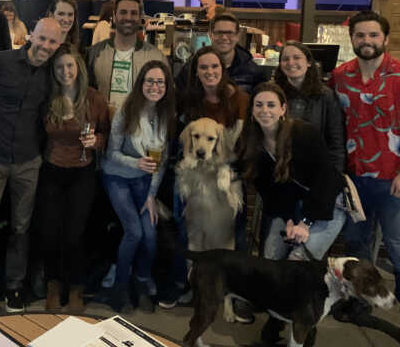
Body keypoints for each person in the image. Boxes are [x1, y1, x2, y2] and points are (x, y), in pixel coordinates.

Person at [329, 10, 400, 347]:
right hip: (355, 181)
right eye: (360, 35)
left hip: (392, 182)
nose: (367, 41)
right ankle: (360, 303)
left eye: (373, 35)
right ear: (352, 39)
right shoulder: (340, 77)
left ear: (385, 39)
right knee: (358, 249)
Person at [0, 18, 63, 317]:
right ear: (31, 35)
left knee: (21, 228)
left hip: (29, 162)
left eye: (52, 42)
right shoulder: (2, 62)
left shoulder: (53, 75)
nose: (45, 46)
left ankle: (14, 287)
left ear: (58, 45)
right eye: (42, 38)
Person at [237, 82, 346, 346]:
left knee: (299, 260)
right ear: (251, 111)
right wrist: (287, 218)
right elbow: (270, 192)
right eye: (259, 105)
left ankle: (305, 326)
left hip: (326, 205)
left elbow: (326, 181)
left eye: (271, 104)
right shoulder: (252, 144)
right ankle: (278, 317)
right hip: (290, 207)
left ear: (283, 108)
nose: (265, 110)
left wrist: (305, 222)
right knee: (272, 260)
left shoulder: (304, 134)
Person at [158, 45, 249, 310]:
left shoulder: (239, 99)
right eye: (203, 67)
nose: (209, 71)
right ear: (195, 72)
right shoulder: (189, 100)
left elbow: (238, 147)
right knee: (185, 226)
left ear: (223, 70)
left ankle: (236, 294)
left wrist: (226, 169)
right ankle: (185, 284)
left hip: (226, 171)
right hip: (192, 172)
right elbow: (182, 141)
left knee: (234, 231)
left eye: (214, 66)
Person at [36, 43, 109, 313]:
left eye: (69, 65)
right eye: (59, 67)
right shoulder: (47, 99)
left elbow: (105, 136)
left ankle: (76, 287)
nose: (65, 71)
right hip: (52, 170)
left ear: (78, 67)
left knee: (75, 234)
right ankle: (54, 284)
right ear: (53, 71)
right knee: (50, 231)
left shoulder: (94, 99)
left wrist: (96, 141)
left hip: (83, 171)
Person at [102, 60, 175, 313]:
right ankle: (120, 287)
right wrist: (136, 163)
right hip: (118, 177)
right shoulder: (126, 110)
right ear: (141, 83)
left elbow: (161, 163)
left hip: (145, 183)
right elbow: (110, 155)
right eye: (150, 81)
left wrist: (152, 196)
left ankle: (142, 280)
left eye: (160, 82)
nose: (155, 86)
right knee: (134, 232)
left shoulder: (166, 115)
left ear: (167, 86)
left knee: (151, 235)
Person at [87, 0, 166, 115]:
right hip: (104, 128)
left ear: (140, 18)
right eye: (123, 12)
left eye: (134, 13)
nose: (128, 17)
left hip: (140, 129)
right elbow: (86, 95)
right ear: (114, 16)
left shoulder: (156, 57)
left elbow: (166, 99)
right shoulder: (94, 54)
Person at [273, 40, 346, 173]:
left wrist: (336, 174)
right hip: (279, 168)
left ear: (309, 62)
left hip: (316, 168)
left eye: (296, 58)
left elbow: (336, 140)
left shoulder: (326, 96)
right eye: (285, 59)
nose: (290, 63)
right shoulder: (272, 94)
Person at [176, 12, 266, 95]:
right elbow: (180, 101)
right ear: (210, 35)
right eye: (219, 32)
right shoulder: (192, 67)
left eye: (229, 33)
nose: (224, 37)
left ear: (238, 36)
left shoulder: (253, 71)